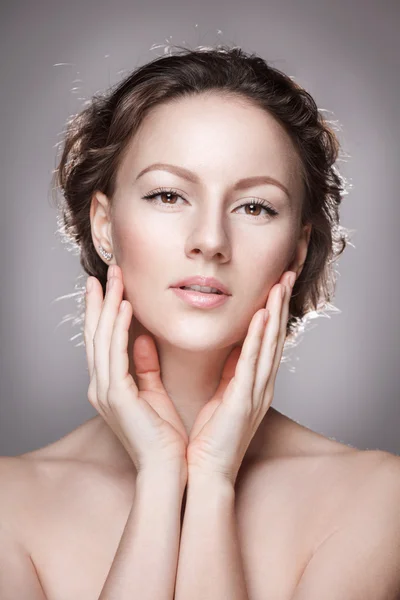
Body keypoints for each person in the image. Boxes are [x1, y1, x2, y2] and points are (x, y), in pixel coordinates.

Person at [1, 44, 399, 600]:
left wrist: (211, 480)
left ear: (299, 247)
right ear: (104, 226)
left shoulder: (377, 498)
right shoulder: (8, 508)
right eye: (168, 194)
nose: (210, 241)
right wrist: (160, 479)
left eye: (255, 206)